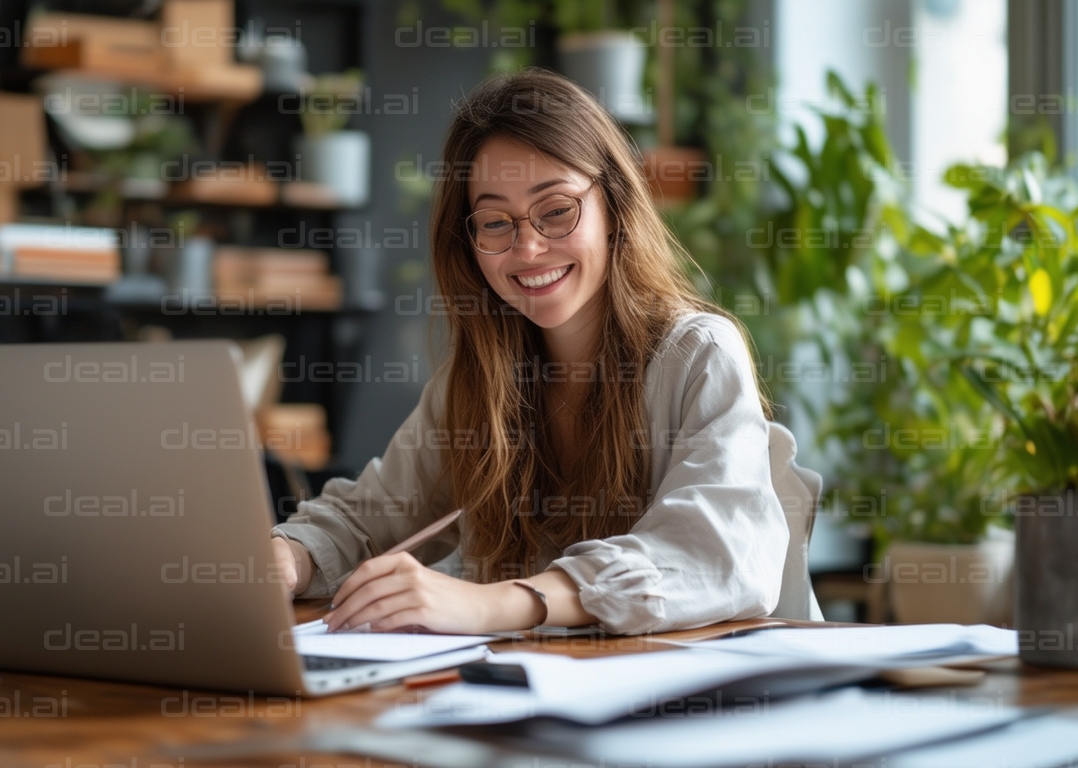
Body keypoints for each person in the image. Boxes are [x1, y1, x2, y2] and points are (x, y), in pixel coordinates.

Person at [269, 68, 822, 636]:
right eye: (494, 221)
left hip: (711, 705)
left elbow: (709, 551)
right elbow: (368, 516)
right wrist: (287, 558)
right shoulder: (478, 381)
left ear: (615, 207)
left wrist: (494, 604)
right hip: (536, 698)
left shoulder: (698, 354)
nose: (528, 247)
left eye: (556, 210)